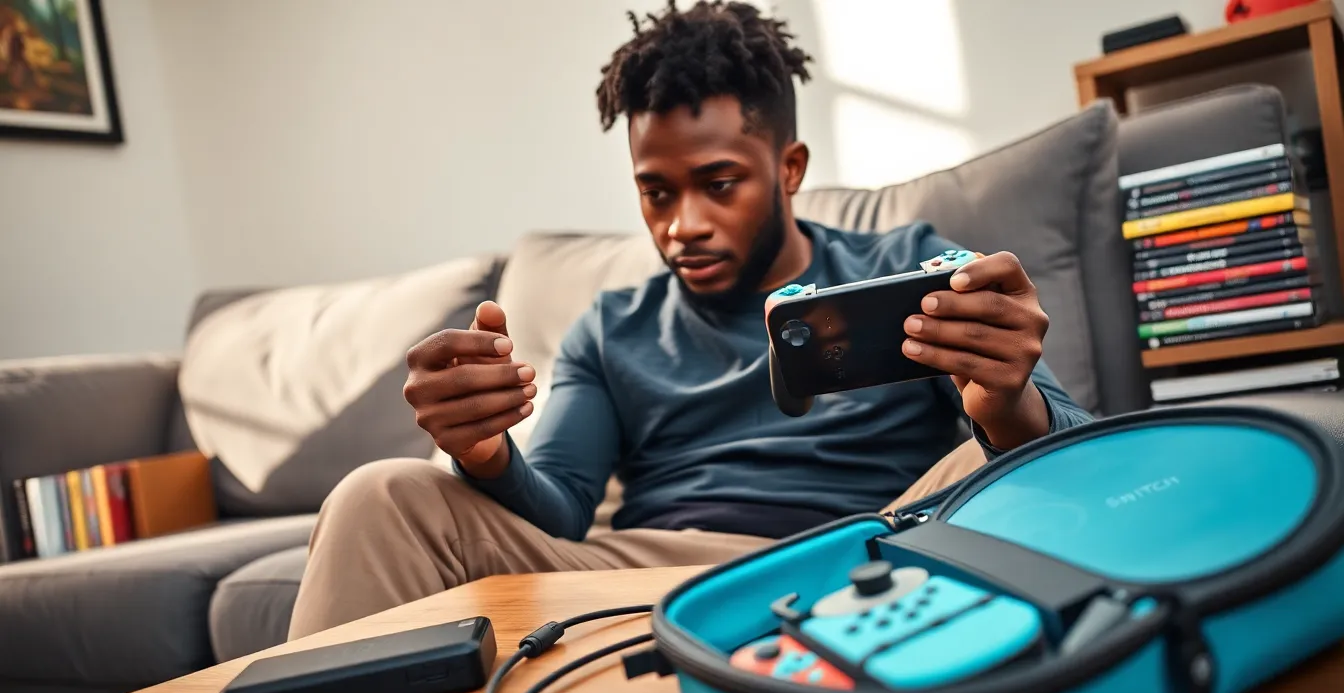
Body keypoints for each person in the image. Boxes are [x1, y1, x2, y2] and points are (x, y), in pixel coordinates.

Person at [286, 0, 1093, 639]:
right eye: (657, 192)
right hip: (638, 583)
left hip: (864, 549)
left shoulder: (910, 265)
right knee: (379, 494)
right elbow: (561, 506)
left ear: (789, 169)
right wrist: (485, 453)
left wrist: (1002, 405)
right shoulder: (610, 328)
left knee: (1000, 468)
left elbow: (1075, 458)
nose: (684, 225)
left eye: (719, 183)